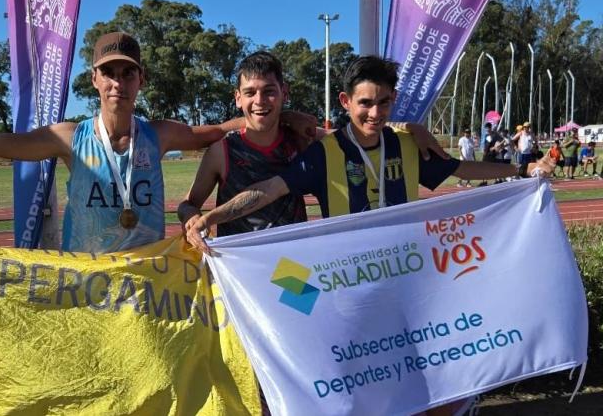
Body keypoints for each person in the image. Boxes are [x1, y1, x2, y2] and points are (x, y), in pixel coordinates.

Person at [186, 56, 554, 416]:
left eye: (383, 102)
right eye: (365, 103)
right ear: (347, 102)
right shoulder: (320, 153)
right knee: (344, 372)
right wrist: (212, 217)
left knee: (421, 373)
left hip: (405, 283)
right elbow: (270, 188)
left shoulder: (405, 144)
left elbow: (458, 168)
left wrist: (523, 168)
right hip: (341, 288)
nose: (374, 113)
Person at [0, 32, 308, 253]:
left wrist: (287, 114)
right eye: (110, 73)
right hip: (85, 279)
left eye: (127, 73)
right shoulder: (69, 137)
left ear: (141, 79)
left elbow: (227, 126)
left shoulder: (160, 134)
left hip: (145, 279)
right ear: (95, 79)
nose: (118, 82)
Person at [177, 51, 445, 239]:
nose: (260, 100)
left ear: (284, 93)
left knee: (299, 317)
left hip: (294, 266)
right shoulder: (221, 151)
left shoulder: (302, 140)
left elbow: (357, 133)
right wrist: (192, 219)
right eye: (250, 93)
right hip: (241, 269)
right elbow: (187, 204)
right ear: (238, 99)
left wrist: (407, 127)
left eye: (270, 91)